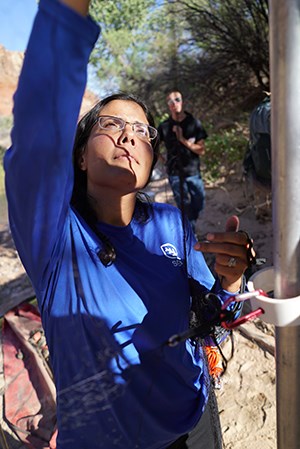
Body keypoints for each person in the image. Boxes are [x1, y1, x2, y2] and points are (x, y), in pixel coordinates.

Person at [4, 1, 254, 448]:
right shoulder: (57, 241)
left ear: (150, 161)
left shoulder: (170, 222)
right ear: (79, 155)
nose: (128, 135)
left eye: (141, 131)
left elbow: (215, 312)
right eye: (112, 124)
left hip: (196, 422)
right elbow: (39, 134)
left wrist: (231, 283)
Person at [158, 91, 207, 232]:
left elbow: (201, 150)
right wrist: (164, 160)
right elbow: (153, 145)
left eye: (177, 99)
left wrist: (182, 140)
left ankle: (191, 223)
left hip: (193, 171)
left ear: (182, 101)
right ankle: (191, 234)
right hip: (174, 173)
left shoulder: (194, 123)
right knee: (183, 206)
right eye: (170, 102)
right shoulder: (165, 126)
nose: (174, 103)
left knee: (199, 202)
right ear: (168, 106)